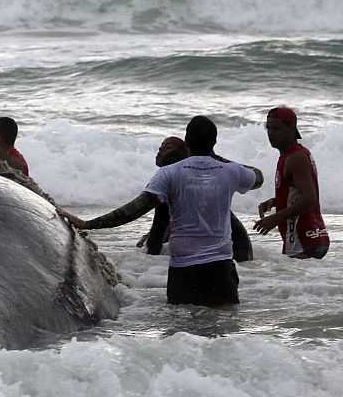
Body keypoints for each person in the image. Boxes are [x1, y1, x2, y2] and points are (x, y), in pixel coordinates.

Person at [58, 116, 264, 307]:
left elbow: (134, 210)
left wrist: (88, 224)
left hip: (184, 272)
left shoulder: (169, 173)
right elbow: (258, 177)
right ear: (214, 143)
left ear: (187, 142)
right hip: (221, 271)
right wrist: (216, 159)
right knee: (224, 334)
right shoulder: (231, 172)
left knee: (182, 337)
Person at [139, 137, 254, 262]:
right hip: (228, 249)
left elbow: (159, 231)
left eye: (168, 148)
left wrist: (146, 264)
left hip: (236, 250)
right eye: (161, 146)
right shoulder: (183, 179)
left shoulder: (178, 181)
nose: (161, 149)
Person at [254, 107, 330, 259]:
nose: (270, 133)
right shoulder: (292, 155)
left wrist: (276, 217)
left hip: (304, 240)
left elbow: (310, 198)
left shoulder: (295, 157)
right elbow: (298, 193)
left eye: (276, 128)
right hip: (312, 238)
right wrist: (276, 202)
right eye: (268, 128)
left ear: (291, 128)